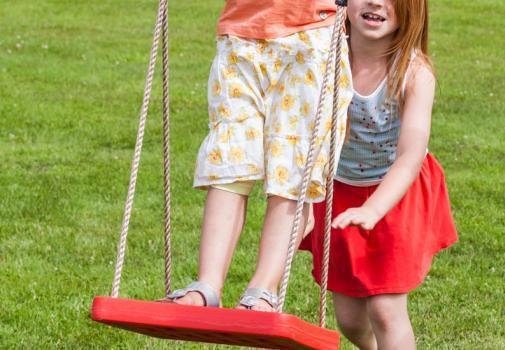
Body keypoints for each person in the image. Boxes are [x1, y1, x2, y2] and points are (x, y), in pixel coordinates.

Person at [164, 0, 353, 312]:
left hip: (311, 35)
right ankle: (207, 286)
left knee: (293, 172)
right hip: (240, 35)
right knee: (229, 163)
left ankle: (262, 290)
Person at [302, 0, 458, 348]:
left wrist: (374, 209)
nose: (376, 2)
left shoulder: (413, 72)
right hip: (340, 192)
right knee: (351, 320)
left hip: (397, 193)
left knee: (386, 310)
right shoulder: (325, 59)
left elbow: (410, 155)